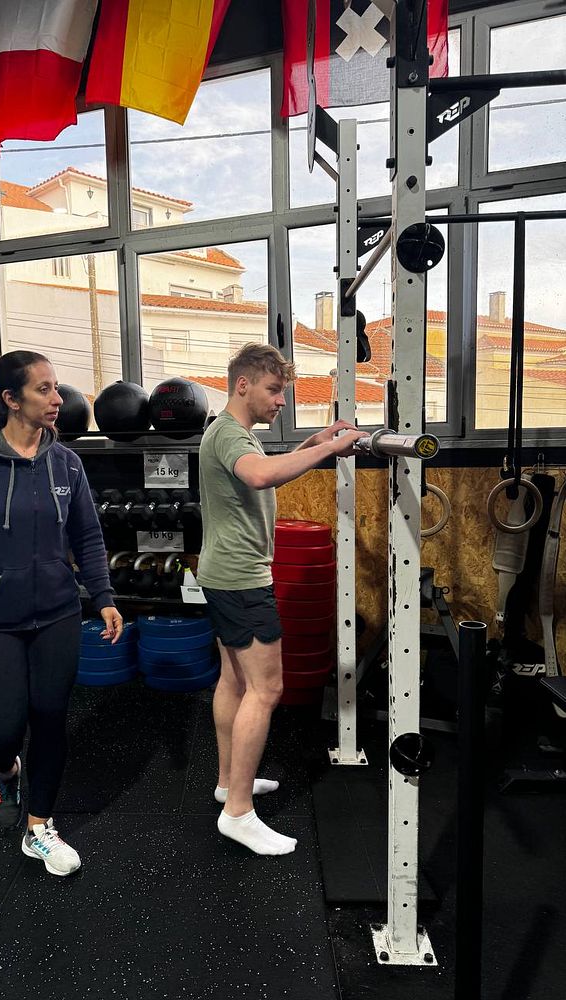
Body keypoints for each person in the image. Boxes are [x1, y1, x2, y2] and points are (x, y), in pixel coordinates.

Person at [0, 350, 122, 877]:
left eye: (56, 387)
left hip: (58, 614)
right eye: (43, 389)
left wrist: (103, 596)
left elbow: (87, 537)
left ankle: (39, 827)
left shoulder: (67, 463)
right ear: (11, 400)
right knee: (2, 731)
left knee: (52, 720)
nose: (57, 399)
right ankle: (6, 770)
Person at [196, 343, 365, 856]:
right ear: (242, 384)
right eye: (273, 390)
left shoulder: (233, 432)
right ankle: (238, 812)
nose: (280, 401)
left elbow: (264, 465)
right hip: (241, 579)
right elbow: (260, 474)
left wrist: (315, 440)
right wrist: (330, 450)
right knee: (266, 689)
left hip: (223, 573)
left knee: (234, 679)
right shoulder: (230, 433)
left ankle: (229, 782)